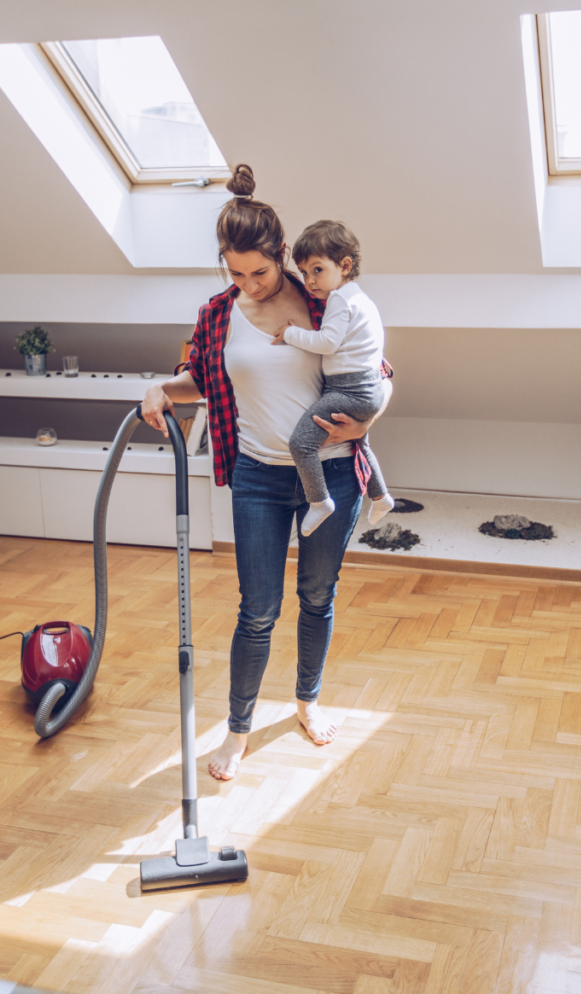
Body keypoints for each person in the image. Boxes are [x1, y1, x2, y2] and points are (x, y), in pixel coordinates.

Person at [140, 165, 393, 781]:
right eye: (235, 272)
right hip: (256, 476)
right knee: (257, 609)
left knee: (317, 597)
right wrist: (159, 387)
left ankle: (307, 702)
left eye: (260, 271)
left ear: (283, 255)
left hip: (330, 475)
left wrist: (365, 424)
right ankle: (238, 729)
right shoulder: (217, 314)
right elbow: (201, 379)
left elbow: (376, 374)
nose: (249, 284)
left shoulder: (321, 298)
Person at [271, 220, 395, 536]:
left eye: (317, 270)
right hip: (370, 389)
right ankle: (380, 497)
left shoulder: (340, 300)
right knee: (359, 440)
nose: (309, 280)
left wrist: (290, 333)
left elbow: (327, 342)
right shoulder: (363, 300)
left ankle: (319, 501)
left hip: (348, 390)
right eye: (303, 272)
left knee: (300, 444)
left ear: (344, 265)